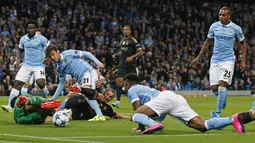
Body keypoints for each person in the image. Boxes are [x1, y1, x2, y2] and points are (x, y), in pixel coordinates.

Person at [123, 73, 244, 135]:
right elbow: (160, 112)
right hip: (175, 99)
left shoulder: (132, 89)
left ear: (128, 83)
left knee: (134, 115)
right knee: (201, 126)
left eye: (124, 83)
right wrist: (143, 125)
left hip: (164, 99)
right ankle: (232, 119)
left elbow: (137, 110)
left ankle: (154, 125)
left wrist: (147, 125)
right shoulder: (144, 88)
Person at [190, 6, 247, 118]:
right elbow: (207, 42)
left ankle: (218, 113)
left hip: (228, 60)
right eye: (220, 14)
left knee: (222, 85)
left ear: (229, 16)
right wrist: (198, 57)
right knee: (214, 88)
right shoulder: (214, 26)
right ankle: (223, 98)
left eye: (223, 15)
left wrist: (243, 61)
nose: (221, 17)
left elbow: (243, 44)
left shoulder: (236, 28)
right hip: (215, 60)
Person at [45, 44, 106, 121]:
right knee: (70, 95)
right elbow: (61, 83)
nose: (53, 57)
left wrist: (98, 62)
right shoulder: (59, 67)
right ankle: (57, 111)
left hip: (87, 72)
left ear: (57, 52)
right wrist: (53, 97)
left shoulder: (68, 53)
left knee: (87, 92)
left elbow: (86, 53)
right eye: (50, 56)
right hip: (80, 79)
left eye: (53, 54)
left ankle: (100, 115)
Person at [2, 20, 50, 113]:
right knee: (17, 84)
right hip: (27, 65)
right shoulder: (23, 39)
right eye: (29, 28)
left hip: (38, 65)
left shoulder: (41, 38)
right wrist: (19, 59)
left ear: (35, 29)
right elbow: (20, 49)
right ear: (27, 29)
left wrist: (48, 58)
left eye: (33, 28)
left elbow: (50, 46)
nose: (31, 30)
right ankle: (9, 105)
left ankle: (46, 93)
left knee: (40, 83)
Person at [112, 25, 144, 108]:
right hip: (122, 64)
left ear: (130, 31)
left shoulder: (133, 40)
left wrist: (132, 57)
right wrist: (116, 54)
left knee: (133, 84)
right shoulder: (122, 41)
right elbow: (123, 52)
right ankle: (118, 101)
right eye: (124, 30)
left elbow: (141, 52)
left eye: (127, 30)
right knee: (119, 81)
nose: (125, 31)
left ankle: (141, 101)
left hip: (131, 65)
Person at [64, 86, 131, 120]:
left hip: (80, 117)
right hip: (75, 109)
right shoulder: (92, 97)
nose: (107, 97)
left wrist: (131, 118)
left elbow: (118, 116)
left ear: (111, 99)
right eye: (107, 94)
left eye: (110, 97)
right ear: (104, 93)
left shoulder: (107, 108)